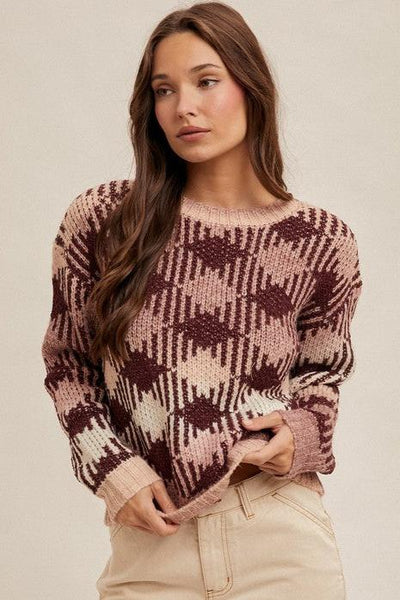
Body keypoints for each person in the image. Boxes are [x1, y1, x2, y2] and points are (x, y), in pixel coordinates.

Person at [41, 2, 363, 598]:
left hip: (278, 533)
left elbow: (322, 373)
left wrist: (300, 433)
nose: (183, 106)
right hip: (151, 544)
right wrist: (112, 469)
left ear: (251, 87)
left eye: (206, 81)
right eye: (164, 90)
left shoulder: (320, 241)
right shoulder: (105, 220)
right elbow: (69, 365)